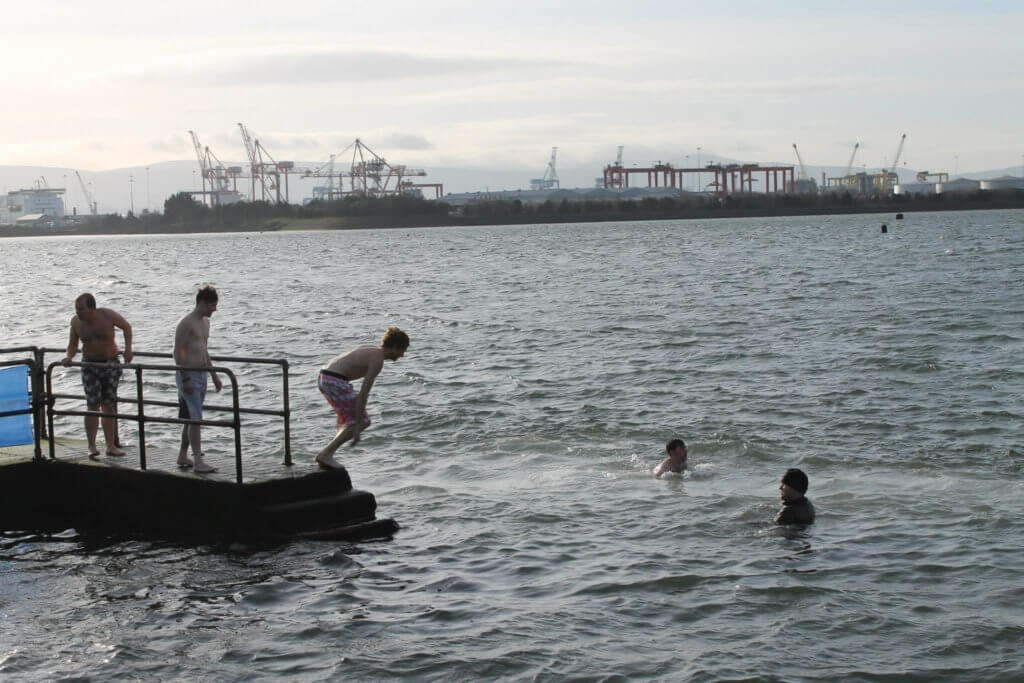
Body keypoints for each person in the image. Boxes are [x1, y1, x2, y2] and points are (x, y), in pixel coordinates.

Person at [316, 327, 410, 470]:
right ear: (395, 347)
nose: (403, 355)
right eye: (403, 350)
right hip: (334, 380)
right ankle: (325, 454)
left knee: (351, 420)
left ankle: (327, 453)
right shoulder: (377, 360)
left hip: (325, 377)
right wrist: (358, 427)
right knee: (362, 421)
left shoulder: (372, 350)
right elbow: (364, 394)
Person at [61, 293, 133, 459]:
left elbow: (127, 327)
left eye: (81, 309)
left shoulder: (107, 315)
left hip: (110, 363)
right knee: (92, 405)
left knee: (109, 405)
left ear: (92, 308)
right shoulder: (76, 322)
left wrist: (128, 349)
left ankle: (110, 446)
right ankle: (91, 446)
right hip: (90, 365)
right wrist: (69, 357)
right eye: (76, 309)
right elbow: (73, 344)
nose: (78, 312)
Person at [173, 285, 223, 473]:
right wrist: (184, 377)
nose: (215, 309)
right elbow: (177, 351)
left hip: (202, 374)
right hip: (188, 374)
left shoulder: (205, 323)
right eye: (212, 305)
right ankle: (198, 461)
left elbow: (204, 350)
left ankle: (182, 455)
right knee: (196, 418)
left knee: (189, 418)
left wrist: (214, 375)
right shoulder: (186, 323)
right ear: (202, 303)